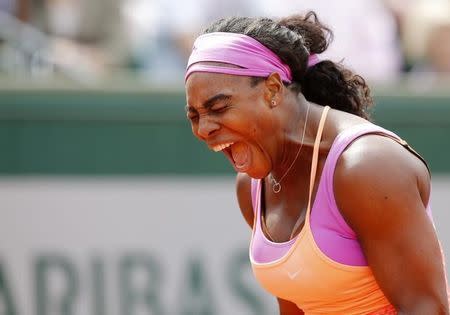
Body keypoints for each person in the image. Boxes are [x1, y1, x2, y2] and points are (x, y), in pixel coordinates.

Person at [184, 11, 449, 315]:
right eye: (194, 116)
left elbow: (427, 307)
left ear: (272, 89)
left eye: (218, 106)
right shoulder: (252, 186)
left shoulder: (367, 168)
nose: (204, 129)